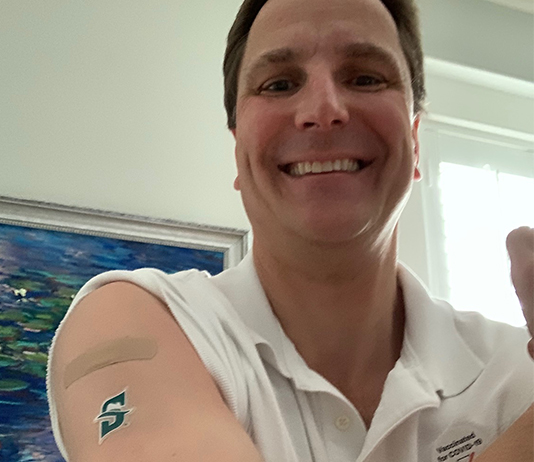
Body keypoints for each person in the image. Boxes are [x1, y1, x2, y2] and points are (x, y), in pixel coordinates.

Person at [46, 0, 534, 460]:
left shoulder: (516, 370)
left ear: (414, 141)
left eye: (365, 77)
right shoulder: (134, 319)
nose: (323, 110)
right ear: (238, 152)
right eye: (279, 84)